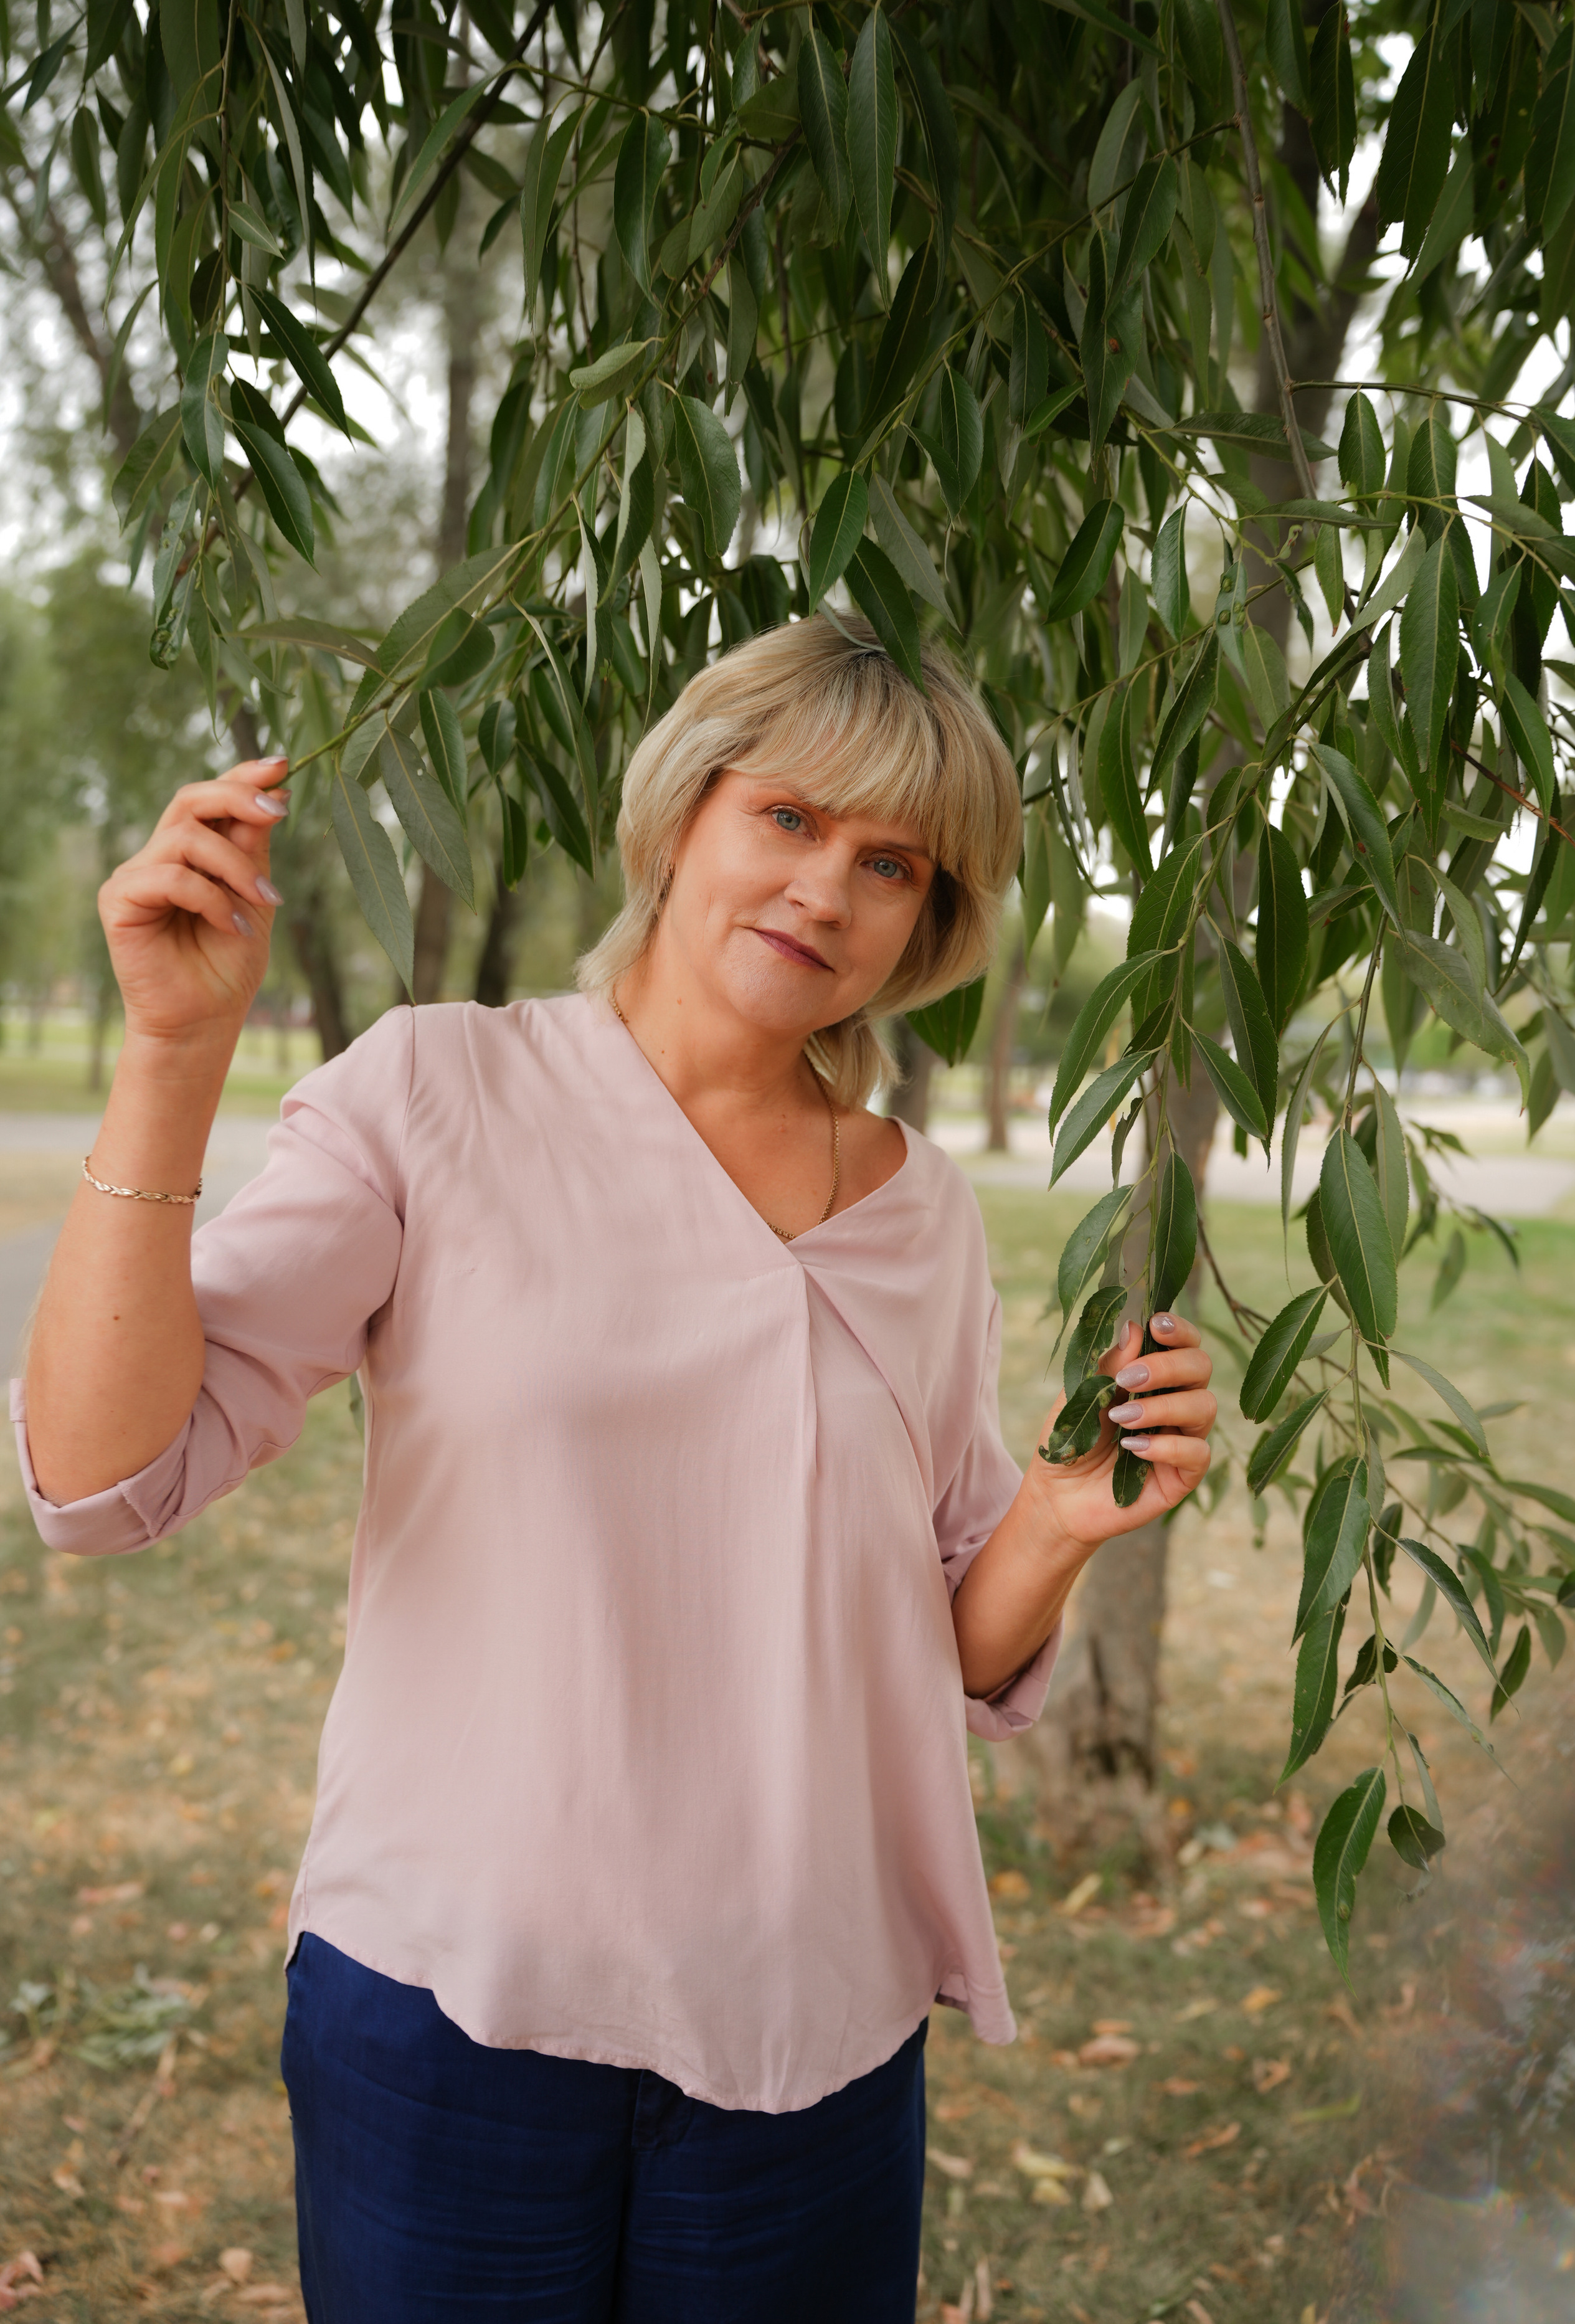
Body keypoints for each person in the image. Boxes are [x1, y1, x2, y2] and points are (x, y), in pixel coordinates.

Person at [14, 614, 1216, 2323]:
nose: (826, 889)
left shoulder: (917, 1207)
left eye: (891, 863)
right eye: (789, 818)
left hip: (813, 2033)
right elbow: (103, 1478)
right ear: (684, 817)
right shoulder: (442, 1093)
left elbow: (942, 1642)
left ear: (925, 926)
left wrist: (1058, 1519)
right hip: (455, 2011)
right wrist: (169, 1062)